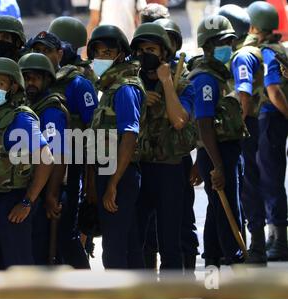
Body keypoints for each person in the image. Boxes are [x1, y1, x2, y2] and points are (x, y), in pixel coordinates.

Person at [0, 57, 54, 269]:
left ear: (14, 87)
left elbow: (47, 158)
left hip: (14, 199)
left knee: (18, 265)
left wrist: (28, 201)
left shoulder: (21, 119)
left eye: (0, 84)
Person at [30, 31, 98, 268]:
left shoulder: (77, 83)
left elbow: (93, 132)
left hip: (70, 168)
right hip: (34, 172)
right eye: (36, 51)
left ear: (59, 53)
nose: (41, 56)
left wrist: (90, 182)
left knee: (66, 235)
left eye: (46, 51)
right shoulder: (27, 82)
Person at [131, 23, 194, 273]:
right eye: (141, 49)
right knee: (140, 239)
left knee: (170, 239)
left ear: (164, 54)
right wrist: (140, 97)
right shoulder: (130, 84)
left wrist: (167, 83)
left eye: (151, 49)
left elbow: (180, 120)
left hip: (170, 169)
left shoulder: (182, 83)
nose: (145, 54)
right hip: (139, 167)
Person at [187, 15, 248, 267]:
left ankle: (212, 269)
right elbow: (204, 123)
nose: (228, 47)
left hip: (226, 151)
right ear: (207, 46)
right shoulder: (205, 79)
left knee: (216, 212)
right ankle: (235, 267)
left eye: (230, 42)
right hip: (218, 152)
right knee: (228, 213)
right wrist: (217, 166)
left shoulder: (219, 73)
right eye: (222, 43)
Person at [87, 25, 144, 269]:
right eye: (97, 53)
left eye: (107, 53)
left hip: (120, 174)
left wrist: (113, 184)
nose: (101, 58)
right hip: (107, 171)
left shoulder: (125, 88)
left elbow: (129, 137)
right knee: (124, 244)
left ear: (121, 55)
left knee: (116, 249)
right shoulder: (110, 88)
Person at [218, 4, 266, 265]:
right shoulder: (251, 50)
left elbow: (244, 96)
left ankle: (256, 246)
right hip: (256, 125)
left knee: (249, 187)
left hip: (248, 127)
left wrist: (236, 124)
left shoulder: (241, 57)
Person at [18, 52, 69, 266]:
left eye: (35, 78)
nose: (30, 83)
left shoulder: (51, 111)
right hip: (24, 185)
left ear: (46, 80)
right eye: (26, 77)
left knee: (41, 252)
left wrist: (51, 195)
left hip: (42, 190)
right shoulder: (23, 105)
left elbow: (56, 156)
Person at [247, 1, 288, 261]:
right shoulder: (279, 49)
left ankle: (280, 240)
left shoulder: (267, 53)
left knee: (269, 178)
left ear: (254, 27)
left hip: (270, 120)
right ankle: (276, 236)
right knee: (272, 176)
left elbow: (273, 91)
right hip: (275, 120)